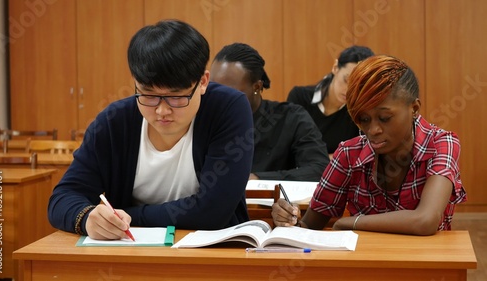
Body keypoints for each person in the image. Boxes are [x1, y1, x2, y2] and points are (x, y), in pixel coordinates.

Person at [48, 20, 255, 240]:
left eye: (176, 97)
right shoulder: (114, 122)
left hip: (213, 252)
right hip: (131, 253)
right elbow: (62, 198)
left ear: (202, 82)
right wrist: (88, 217)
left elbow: (213, 210)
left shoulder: (228, 109)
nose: (162, 110)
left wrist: (129, 216)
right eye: (148, 95)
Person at [272, 55, 467, 235]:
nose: (373, 130)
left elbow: (425, 220)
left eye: (384, 118)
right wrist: (289, 220)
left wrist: (350, 222)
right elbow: (309, 227)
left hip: (427, 266)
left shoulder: (440, 143)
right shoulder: (349, 153)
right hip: (363, 267)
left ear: (414, 108)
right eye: (364, 119)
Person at [210, 43, 330, 181]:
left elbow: (319, 169)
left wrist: (258, 179)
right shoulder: (203, 118)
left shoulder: (291, 117)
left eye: (228, 92)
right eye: (213, 88)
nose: (217, 97)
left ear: (257, 86)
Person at [287, 46, 374, 155]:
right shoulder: (300, 98)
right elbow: (289, 149)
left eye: (358, 86)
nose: (349, 91)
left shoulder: (358, 113)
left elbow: (356, 157)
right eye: (346, 80)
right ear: (335, 67)